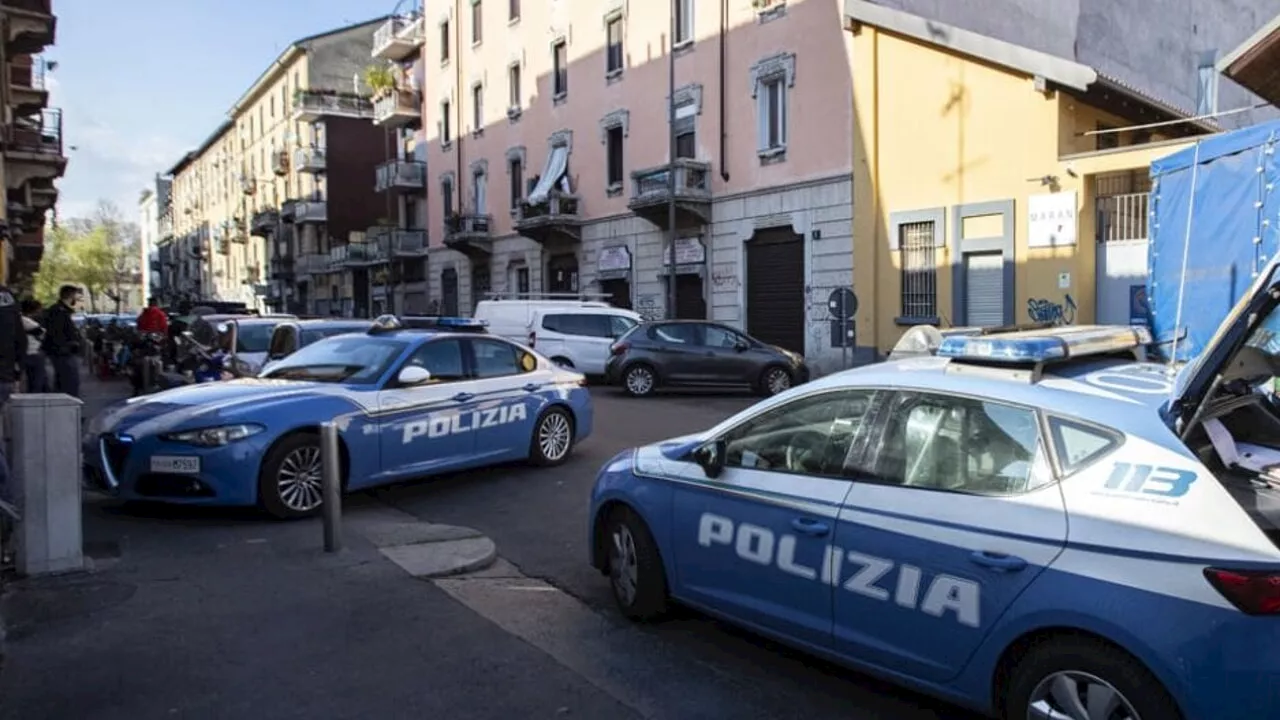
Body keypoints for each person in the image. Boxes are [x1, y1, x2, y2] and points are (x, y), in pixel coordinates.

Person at [41, 284, 82, 398]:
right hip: (63, 353)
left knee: (64, 382)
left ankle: (66, 410)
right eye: (76, 296)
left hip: (62, 352)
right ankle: (69, 410)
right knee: (69, 382)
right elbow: (57, 333)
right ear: (71, 296)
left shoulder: (59, 310)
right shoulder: (59, 311)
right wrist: (69, 346)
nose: (77, 299)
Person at [19, 299, 47, 393]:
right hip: (33, 352)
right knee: (37, 381)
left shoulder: (19, 319)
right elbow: (42, 333)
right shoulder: (26, 321)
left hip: (26, 353)